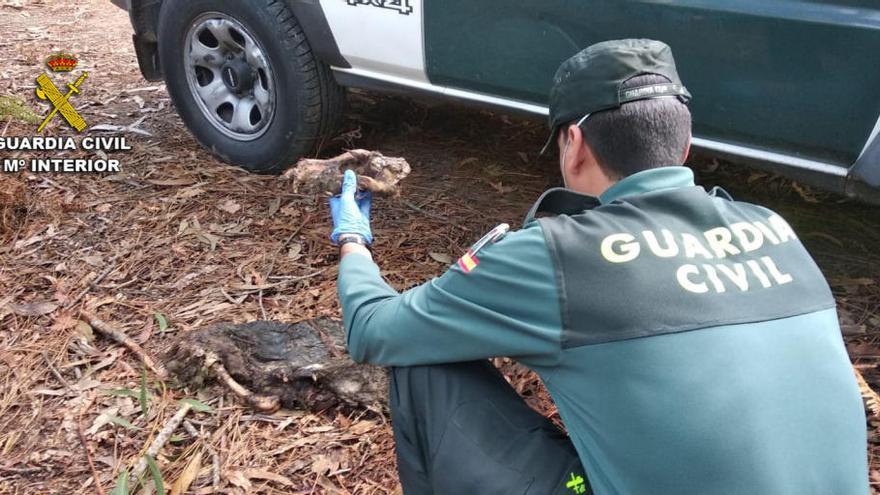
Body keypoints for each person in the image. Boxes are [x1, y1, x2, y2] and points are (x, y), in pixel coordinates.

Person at [328, 39, 868, 494]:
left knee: (423, 361)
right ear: (682, 144)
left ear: (575, 144)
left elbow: (375, 329)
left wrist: (352, 236)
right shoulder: (773, 226)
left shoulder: (558, 253)